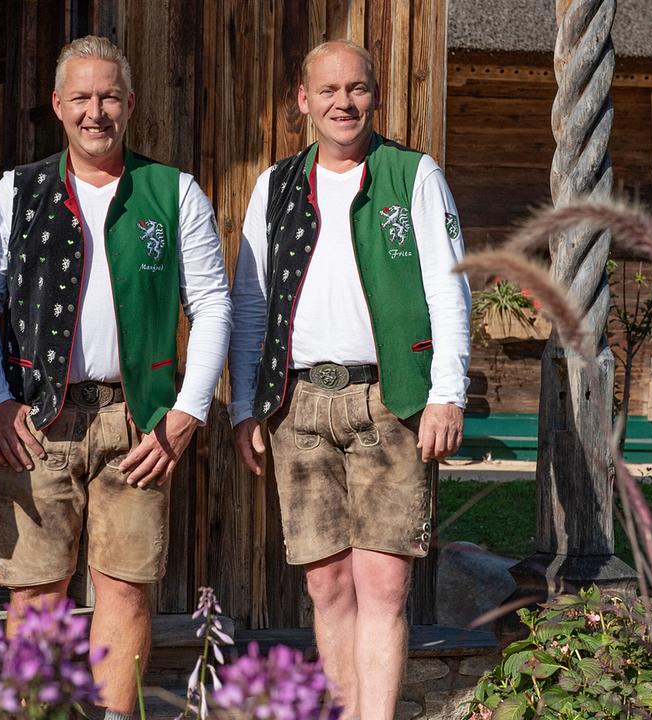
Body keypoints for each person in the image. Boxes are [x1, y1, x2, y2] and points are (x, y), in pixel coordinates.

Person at [0, 35, 231, 720]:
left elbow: (214, 306)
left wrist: (186, 412)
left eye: (109, 96)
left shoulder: (173, 192)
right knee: (35, 592)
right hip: (36, 421)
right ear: (57, 105)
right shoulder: (16, 191)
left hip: (137, 420)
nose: (96, 111)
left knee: (126, 588)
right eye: (81, 97)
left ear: (131, 103)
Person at [228, 40, 471, 718]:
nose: (344, 102)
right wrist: (243, 404)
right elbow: (251, 300)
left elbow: (449, 289)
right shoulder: (275, 186)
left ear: (375, 95)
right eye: (329, 90)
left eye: (357, 88)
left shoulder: (412, 175)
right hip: (298, 403)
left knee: (384, 585)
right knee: (328, 587)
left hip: (389, 399)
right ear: (303, 101)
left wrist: (446, 392)